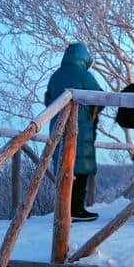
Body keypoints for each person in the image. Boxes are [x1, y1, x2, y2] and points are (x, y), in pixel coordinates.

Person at [45, 42, 103, 222]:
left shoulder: (55, 76)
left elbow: (48, 100)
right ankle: (76, 210)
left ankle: (63, 209)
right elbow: (99, 97)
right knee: (81, 168)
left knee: (64, 168)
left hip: (58, 127)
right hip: (81, 128)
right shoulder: (84, 75)